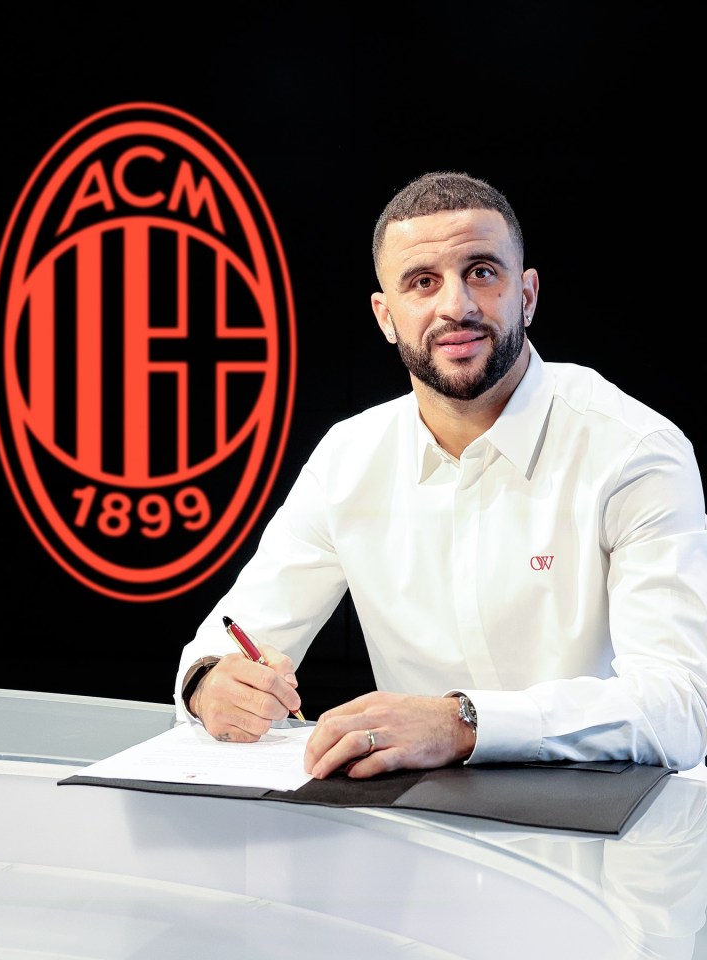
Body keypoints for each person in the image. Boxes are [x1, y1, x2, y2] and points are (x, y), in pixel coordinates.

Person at [174, 170, 707, 780]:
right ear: (385, 316)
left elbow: (682, 707)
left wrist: (463, 723)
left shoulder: (634, 450)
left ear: (527, 295)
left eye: (482, 272)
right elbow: (222, 643)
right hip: (422, 836)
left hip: (613, 836)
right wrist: (209, 685)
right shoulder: (348, 458)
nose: (456, 306)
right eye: (423, 282)